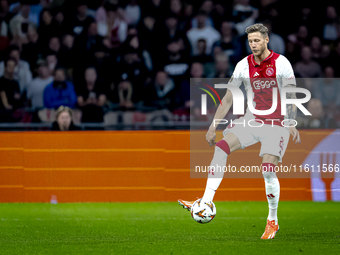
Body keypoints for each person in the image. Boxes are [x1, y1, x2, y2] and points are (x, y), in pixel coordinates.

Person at [178, 23, 301, 240]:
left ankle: (273, 220)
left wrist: (291, 122)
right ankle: (206, 200)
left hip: (277, 123)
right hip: (252, 119)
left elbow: (291, 94)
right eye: (250, 41)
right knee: (221, 148)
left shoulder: (281, 63)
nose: (253, 44)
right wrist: (212, 127)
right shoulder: (243, 65)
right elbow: (228, 98)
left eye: (257, 40)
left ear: (266, 40)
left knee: (267, 169)